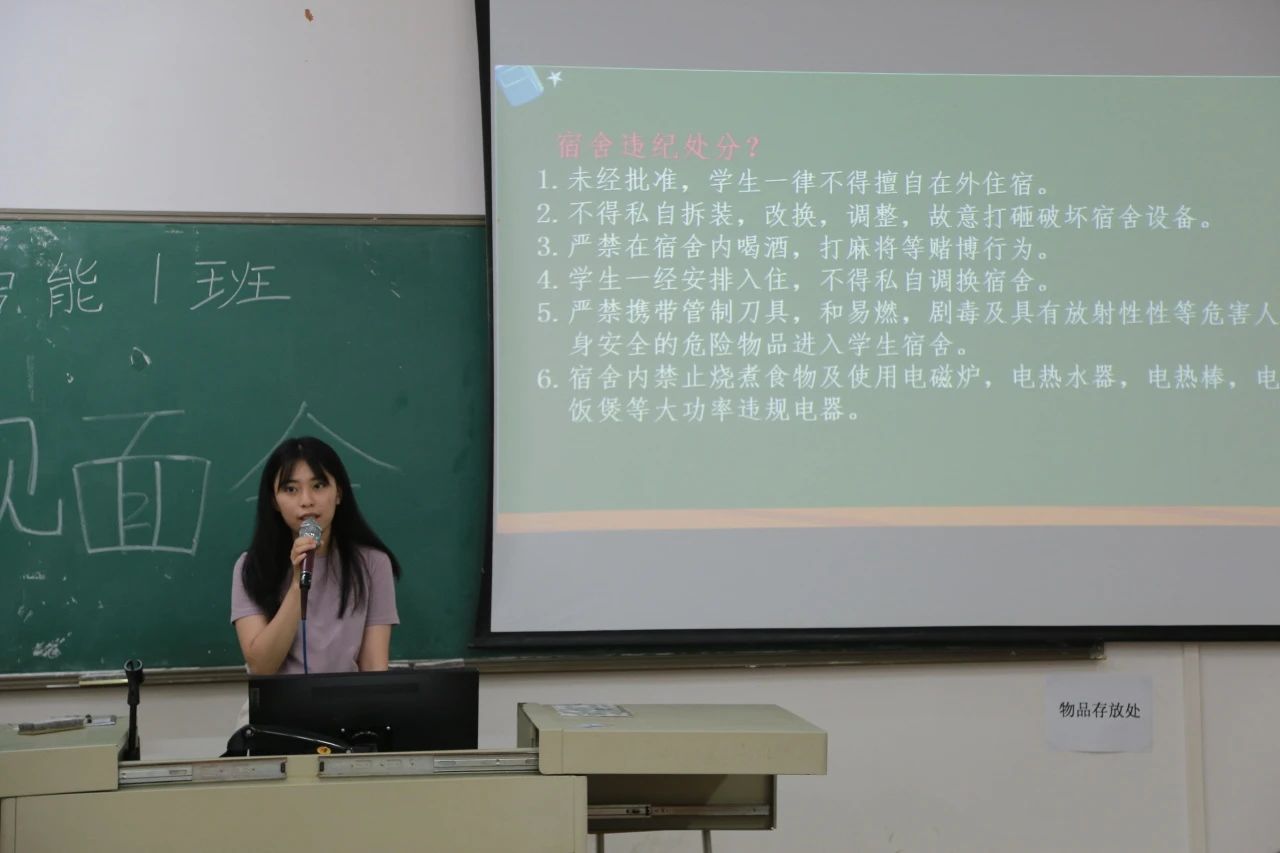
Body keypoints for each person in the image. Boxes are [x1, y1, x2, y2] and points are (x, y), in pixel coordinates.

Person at [230, 436, 400, 675]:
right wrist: (297, 584)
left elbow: (374, 667)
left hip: (348, 698)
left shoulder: (373, 563)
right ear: (274, 501)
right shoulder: (251, 567)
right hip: (279, 699)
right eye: (291, 489)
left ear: (338, 493)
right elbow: (262, 667)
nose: (307, 501)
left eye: (318, 486)